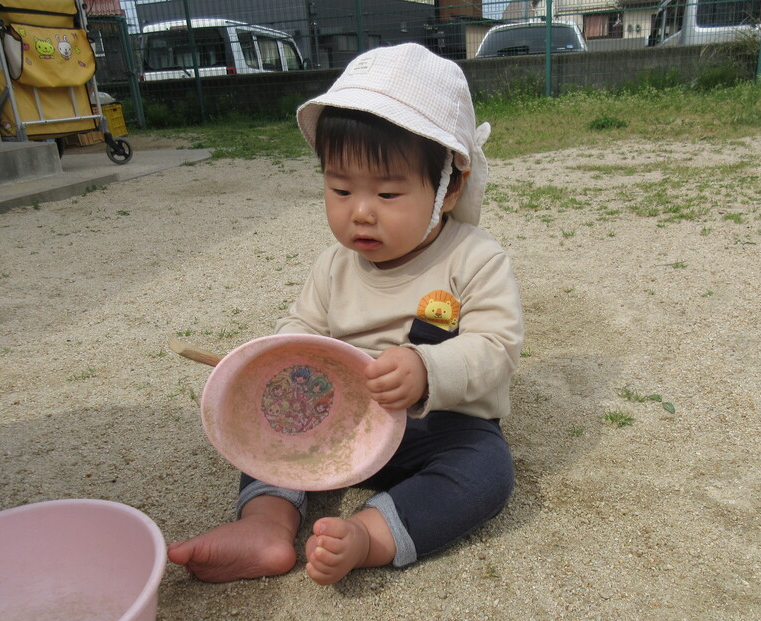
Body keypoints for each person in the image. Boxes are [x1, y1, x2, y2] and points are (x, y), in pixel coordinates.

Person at [168, 43, 524, 585]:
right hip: (342, 418)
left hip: (440, 425)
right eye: (340, 188)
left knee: (487, 471)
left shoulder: (473, 258)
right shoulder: (335, 266)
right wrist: (279, 365)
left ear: (448, 188)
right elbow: (302, 329)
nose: (360, 210)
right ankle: (265, 525)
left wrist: (428, 370)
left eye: (387, 191)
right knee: (275, 428)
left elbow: (496, 349)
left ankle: (370, 533)